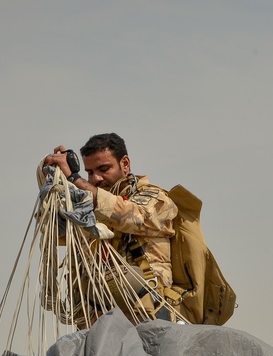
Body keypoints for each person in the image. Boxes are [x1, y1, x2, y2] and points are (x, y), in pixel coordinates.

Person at [41, 133, 179, 322]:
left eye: (104, 169)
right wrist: (53, 179)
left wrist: (75, 179)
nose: (96, 178)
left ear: (125, 164)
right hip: (98, 323)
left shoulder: (155, 199)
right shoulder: (89, 207)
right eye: (89, 172)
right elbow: (57, 234)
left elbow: (132, 216)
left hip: (146, 320)